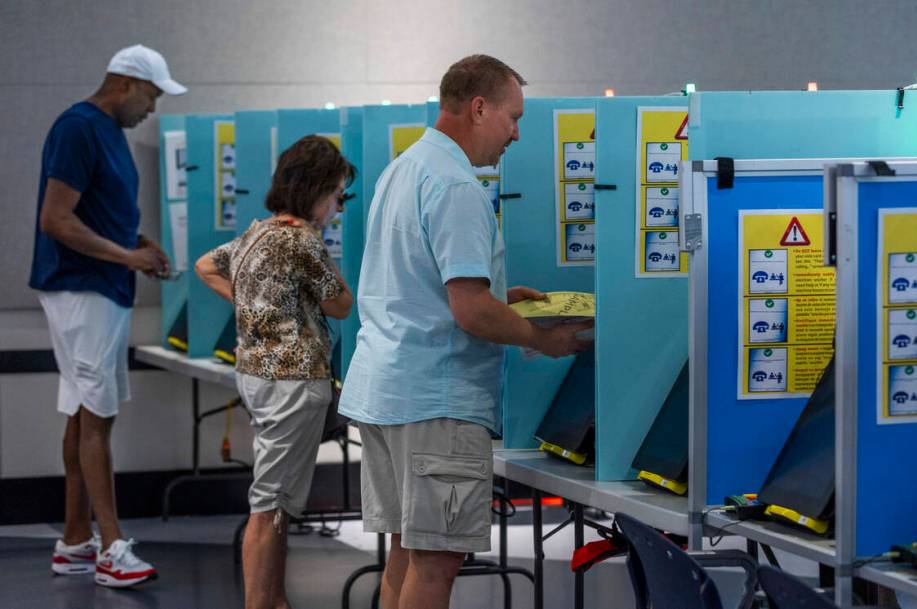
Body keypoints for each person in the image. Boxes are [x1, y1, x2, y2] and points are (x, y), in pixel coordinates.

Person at [339, 55, 593, 609]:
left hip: (388, 392)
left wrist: (502, 300)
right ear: (479, 109)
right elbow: (470, 312)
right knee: (436, 564)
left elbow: (419, 287)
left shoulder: (404, 169)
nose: (517, 134)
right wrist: (542, 338)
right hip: (437, 401)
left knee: (407, 553)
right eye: (513, 118)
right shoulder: (456, 186)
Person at [29, 44, 186, 588]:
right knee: (98, 419)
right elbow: (56, 219)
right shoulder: (78, 128)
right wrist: (127, 257)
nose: (153, 108)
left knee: (81, 414)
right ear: (124, 84)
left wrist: (135, 242)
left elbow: (93, 214)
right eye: (152, 95)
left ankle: (75, 540)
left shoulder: (107, 134)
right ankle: (112, 547)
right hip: (83, 290)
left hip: (101, 287)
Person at [195, 135, 354, 609]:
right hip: (295, 380)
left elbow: (207, 265)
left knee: (277, 502)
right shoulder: (302, 240)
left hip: (257, 376)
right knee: (270, 505)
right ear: (318, 189)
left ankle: (274, 599)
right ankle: (261, 603)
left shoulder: (257, 233)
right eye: (337, 195)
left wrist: (255, 305)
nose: (337, 208)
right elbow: (341, 305)